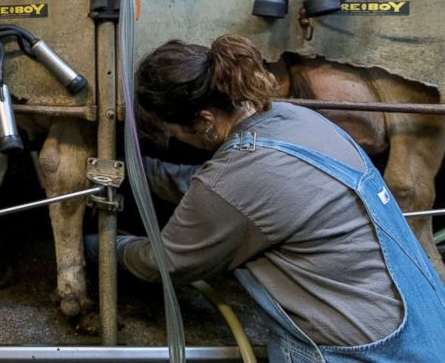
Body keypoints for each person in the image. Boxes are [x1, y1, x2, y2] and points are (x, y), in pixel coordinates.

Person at [117, 34, 445, 362]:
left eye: (175, 134)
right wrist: (138, 170)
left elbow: (165, 263)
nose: (179, 142)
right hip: (425, 331)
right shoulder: (296, 120)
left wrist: (108, 245)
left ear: (205, 121)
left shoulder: (237, 176)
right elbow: (219, 192)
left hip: (359, 352)